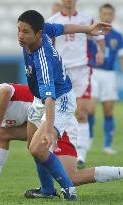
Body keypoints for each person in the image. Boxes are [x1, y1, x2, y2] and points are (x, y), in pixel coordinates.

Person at [0, 82, 123, 199]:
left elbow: (5, 90)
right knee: (1, 135)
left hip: (59, 124)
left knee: (73, 178)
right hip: (43, 125)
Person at [47, 0, 106, 169]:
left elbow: (99, 38)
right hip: (61, 71)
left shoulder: (86, 19)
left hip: (81, 70)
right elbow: (47, 44)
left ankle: (81, 155)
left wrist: (101, 52)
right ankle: (55, 149)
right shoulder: (53, 19)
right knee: (59, 112)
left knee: (81, 113)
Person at [88, 3, 123, 155]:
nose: (107, 16)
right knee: (89, 108)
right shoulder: (92, 33)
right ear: (100, 15)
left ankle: (107, 145)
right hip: (93, 72)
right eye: (104, 14)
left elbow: (121, 58)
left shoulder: (118, 36)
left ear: (113, 16)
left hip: (109, 75)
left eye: (110, 14)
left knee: (108, 111)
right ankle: (87, 140)